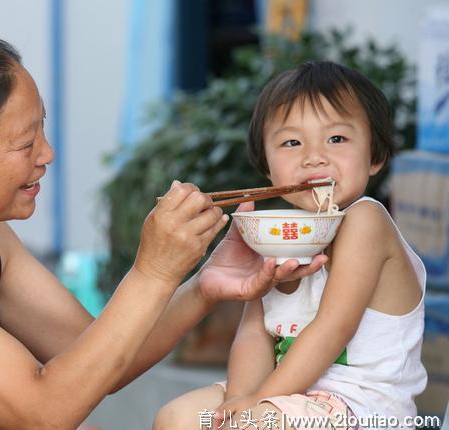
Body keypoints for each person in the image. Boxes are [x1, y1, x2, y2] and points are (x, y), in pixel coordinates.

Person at [0, 31, 325, 430]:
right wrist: (151, 269)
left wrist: (202, 285)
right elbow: (44, 412)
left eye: (43, 130)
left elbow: (92, 357)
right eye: (24, 142)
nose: (47, 155)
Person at [154, 61, 427, 430]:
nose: (314, 156)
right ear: (268, 166)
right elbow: (254, 333)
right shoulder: (278, 232)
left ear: (375, 155)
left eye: (337, 139)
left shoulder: (366, 221)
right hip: (287, 397)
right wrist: (239, 399)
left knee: (253, 425)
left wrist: (257, 403)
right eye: (292, 142)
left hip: (362, 406)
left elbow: (334, 326)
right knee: (177, 419)